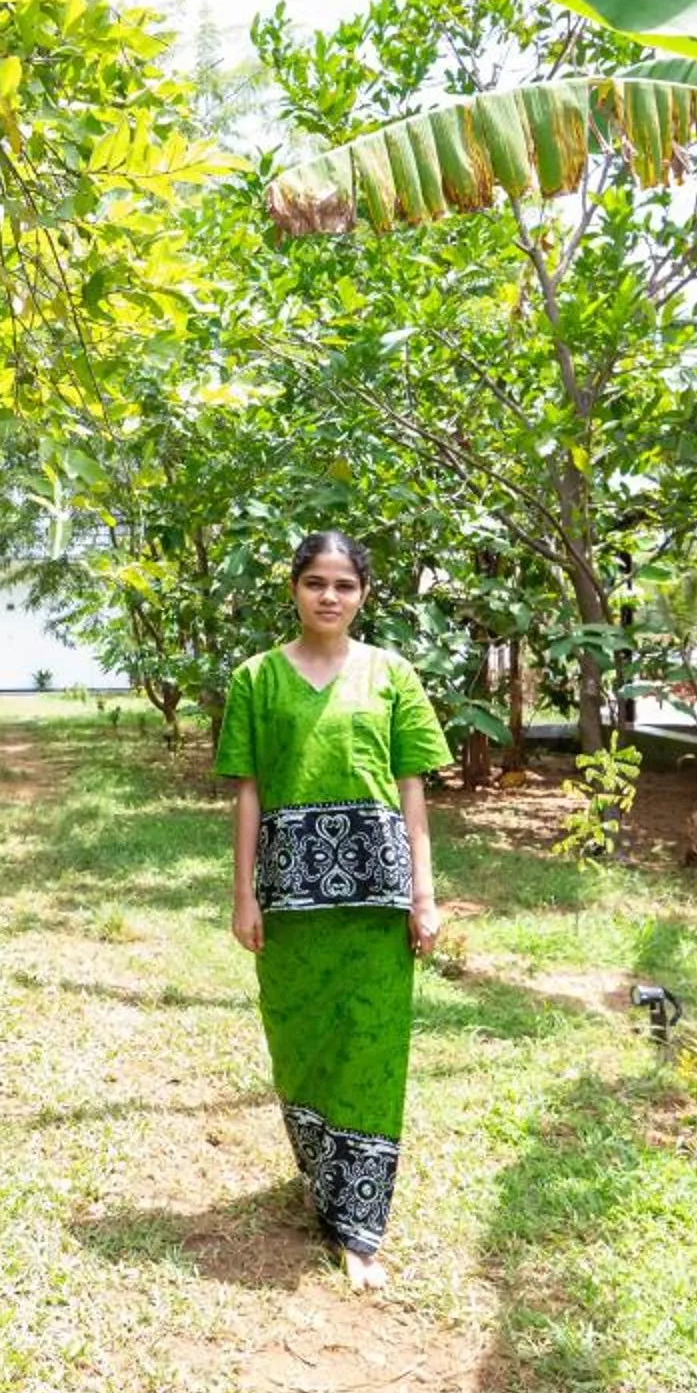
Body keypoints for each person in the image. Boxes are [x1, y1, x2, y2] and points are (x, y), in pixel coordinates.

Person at [215, 531, 448, 1293]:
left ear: (363, 595)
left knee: (372, 1049)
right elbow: (248, 789)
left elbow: (413, 792)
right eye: (315, 582)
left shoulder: (393, 675)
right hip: (289, 898)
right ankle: (323, 1177)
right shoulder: (255, 680)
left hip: (377, 898)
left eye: (344, 585)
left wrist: (425, 893)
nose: (329, 597)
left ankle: (360, 1225)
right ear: (293, 590)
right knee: (300, 1036)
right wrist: (244, 890)